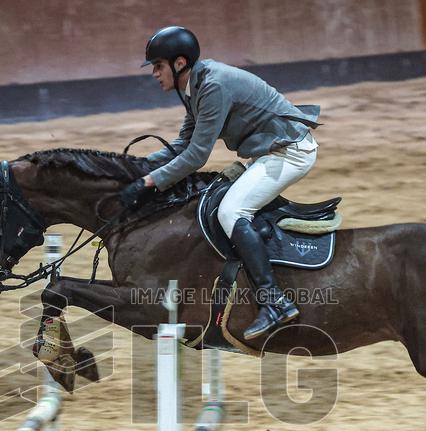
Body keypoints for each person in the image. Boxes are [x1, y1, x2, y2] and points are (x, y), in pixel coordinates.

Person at [120, 26, 321, 340]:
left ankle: (274, 302)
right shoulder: (195, 86)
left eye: (158, 66)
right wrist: (140, 167)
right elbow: (183, 141)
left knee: (231, 212)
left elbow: (197, 155)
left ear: (180, 63)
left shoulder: (212, 86)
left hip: (290, 153)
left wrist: (150, 182)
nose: (154, 74)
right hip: (271, 151)